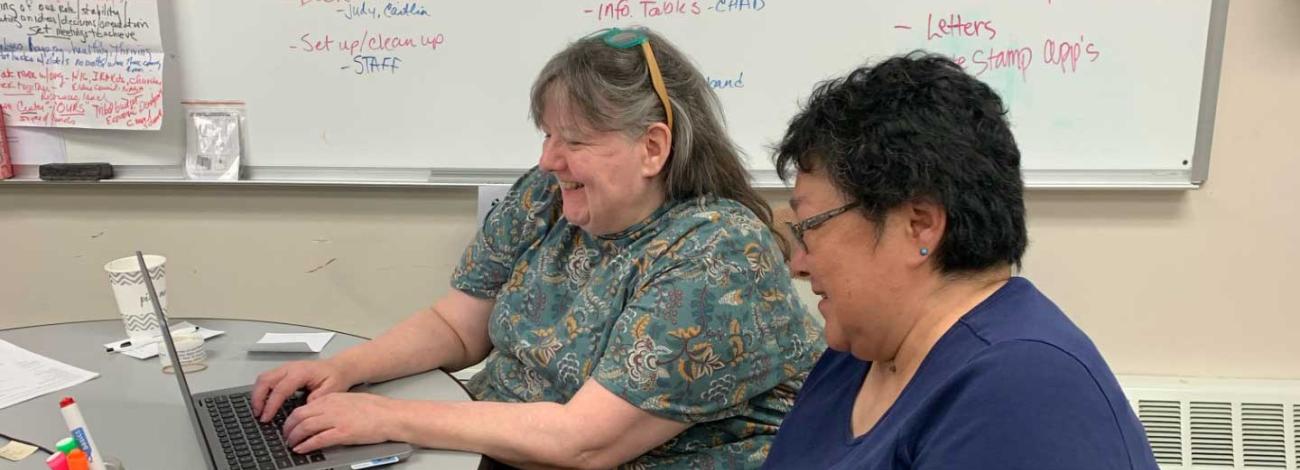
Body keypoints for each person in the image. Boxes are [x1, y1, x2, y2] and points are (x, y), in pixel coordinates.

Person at [252, 27, 821, 469]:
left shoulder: (718, 255)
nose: (550, 159)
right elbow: (458, 326)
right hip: (504, 447)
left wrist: (386, 416)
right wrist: (343, 371)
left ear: (653, 148)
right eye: (547, 134)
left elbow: (586, 444)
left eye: (573, 140)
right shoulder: (550, 194)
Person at [761, 52, 1159, 469]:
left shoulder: (1022, 389)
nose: (799, 263)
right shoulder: (857, 355)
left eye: (810, 226)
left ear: (920, 225)